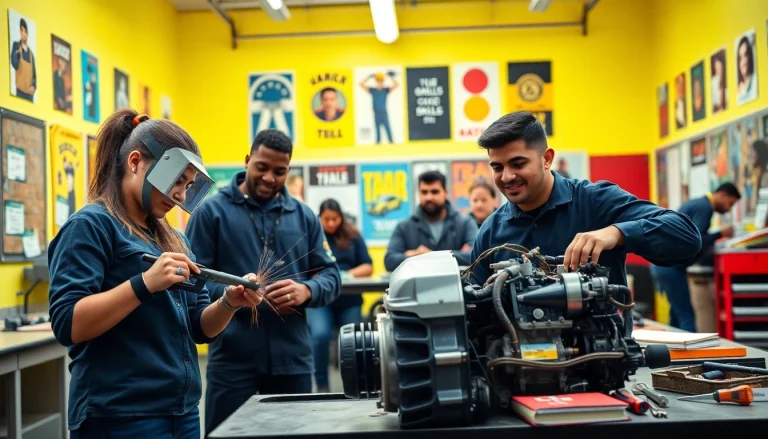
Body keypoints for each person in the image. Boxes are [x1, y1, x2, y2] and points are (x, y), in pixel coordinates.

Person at [47, 109, 262, 438]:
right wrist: (144, 284)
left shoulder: (175, 238)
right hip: (120, 415)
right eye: (176, 180)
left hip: (183, 412)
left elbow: (199, 328)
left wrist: (229, 304)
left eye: (188, 185)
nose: (180, 195)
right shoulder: (90, 227)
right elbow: (67, 323)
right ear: (135, 162)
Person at [184, 128, 341, 436]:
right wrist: (232, 295)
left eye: (280, 171)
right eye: (262, 167)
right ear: (247, 161)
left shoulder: (305, 216)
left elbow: (332, 276)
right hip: (232, 362)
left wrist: (306, 290)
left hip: (293, 360)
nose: (270, 177)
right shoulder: (210, 213)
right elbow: (193, 280)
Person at [468, 111, 702, 292]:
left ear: (547, 159)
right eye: (497, 167)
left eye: (518, 164)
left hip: (601, 352)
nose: (507, 176)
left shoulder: (595, 201)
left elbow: (687, 236)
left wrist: (616, 234)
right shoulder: (490, 232)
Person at [651, 183, 740, 333]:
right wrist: (720, 234)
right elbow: (695, 240)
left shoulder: (697, 204)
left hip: (664, 265)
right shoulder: (705, 208)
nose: (728, 209)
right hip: (669, 267)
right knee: (687, 316)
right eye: (729, 203)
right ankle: (692, 354)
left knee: (677, 315)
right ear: (722, 195)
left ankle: (672, 351)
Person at [307, 198, 373, 393]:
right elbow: (303, 269)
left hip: (349, 301)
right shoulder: (311, 236)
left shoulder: (353, 235)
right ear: (319, 218)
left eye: (335, 219)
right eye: (327, 219)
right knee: (319, 336)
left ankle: (354, 387)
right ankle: (322, 386)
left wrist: (347, 274)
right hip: (321, 300)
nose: (331, 223)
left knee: (352, 342)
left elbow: (368, 266)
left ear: (341, 218)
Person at [384, 170, 478, 272]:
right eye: (424, 192)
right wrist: (455, 255)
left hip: (457, 286)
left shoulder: (465, 223)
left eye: (434, 192)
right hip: (418, 287)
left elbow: (476, 255)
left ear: (446, 193)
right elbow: (389, 261)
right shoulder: (404, 227)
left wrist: (428, 256)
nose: (429, 197)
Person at [359, 72, 398, 143]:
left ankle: (391, 141)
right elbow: (361, 84)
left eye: (381, 82)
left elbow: (396, 85)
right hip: (376, 112)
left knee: (387, 127)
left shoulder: (385, 90)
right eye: (378, 82)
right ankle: (378, 142)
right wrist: (368, 77)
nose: (379, 83)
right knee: (377, 129)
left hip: (383, 112)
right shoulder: (373, 90)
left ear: (383, 82)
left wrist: (390, 77)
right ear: (376, 82)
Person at [10, 18, 36, 101]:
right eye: (22, 31)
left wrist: (34, 86)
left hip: (29, 95)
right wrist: (16, 54)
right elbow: (14, 64)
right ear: (20, 32)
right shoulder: (16, 45)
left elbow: (34, 75)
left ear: (28, 34)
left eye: (25, 31)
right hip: (20, 92)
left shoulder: (31, 54)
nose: (24, 34)